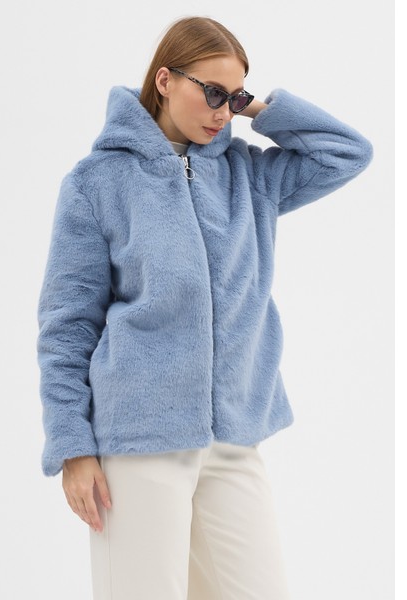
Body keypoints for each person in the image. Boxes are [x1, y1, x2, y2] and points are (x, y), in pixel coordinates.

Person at [36, 15, 373, 600]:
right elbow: (67, 326)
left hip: (234, 436)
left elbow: (347, 152)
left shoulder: (250, 177)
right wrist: (73, 446)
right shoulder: (98, 183)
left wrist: (258, 110)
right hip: (138, 441)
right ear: (164, 80)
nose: (224, 112)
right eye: (212, 93)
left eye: (235, 97)